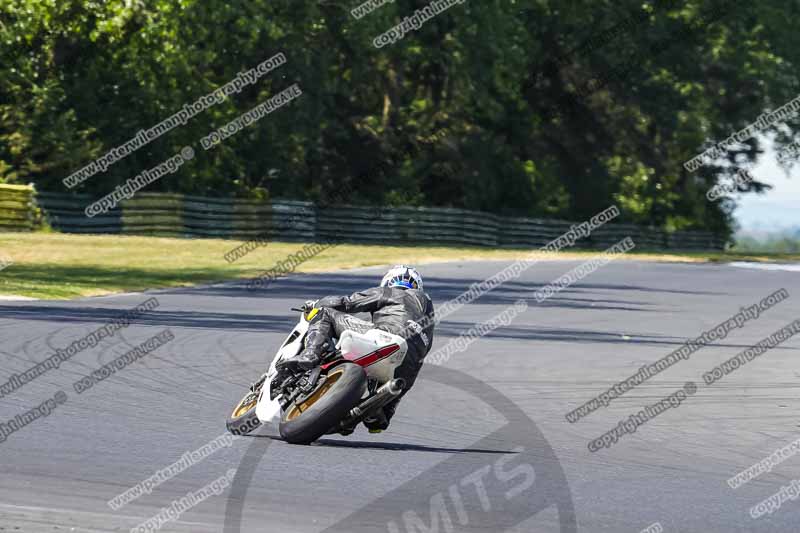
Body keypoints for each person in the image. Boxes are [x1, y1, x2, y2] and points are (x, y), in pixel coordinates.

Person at [278, 265, 435, 433]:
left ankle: (310, 355)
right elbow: (420, 357)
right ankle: (379, 412)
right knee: (383, 413)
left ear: (389, 281)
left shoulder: (391, 291)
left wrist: (317, 304)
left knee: (325, 313)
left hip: (386, 338)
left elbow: (347, 302)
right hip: (406, 366)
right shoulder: (430, 318)